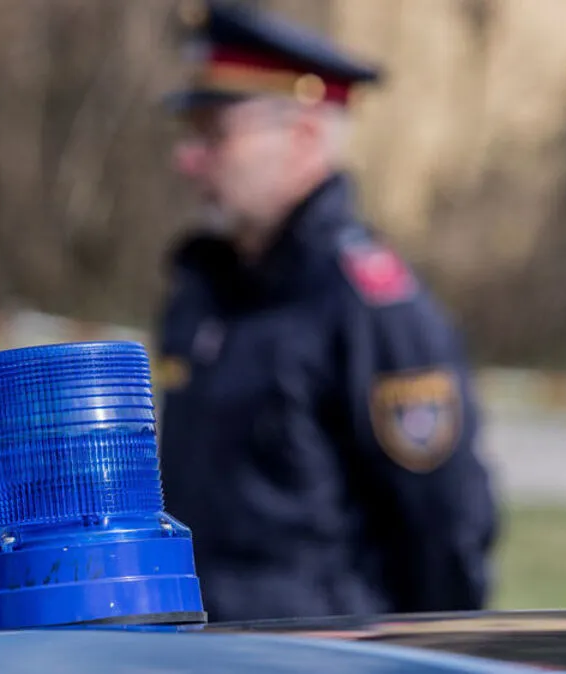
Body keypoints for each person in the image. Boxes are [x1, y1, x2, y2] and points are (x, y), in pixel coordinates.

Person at [154, 0, 500, 623]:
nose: (188, 159)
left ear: (306, 135)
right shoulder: (205, 291)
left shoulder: (371, 309)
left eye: (214, 133)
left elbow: (446, 535)